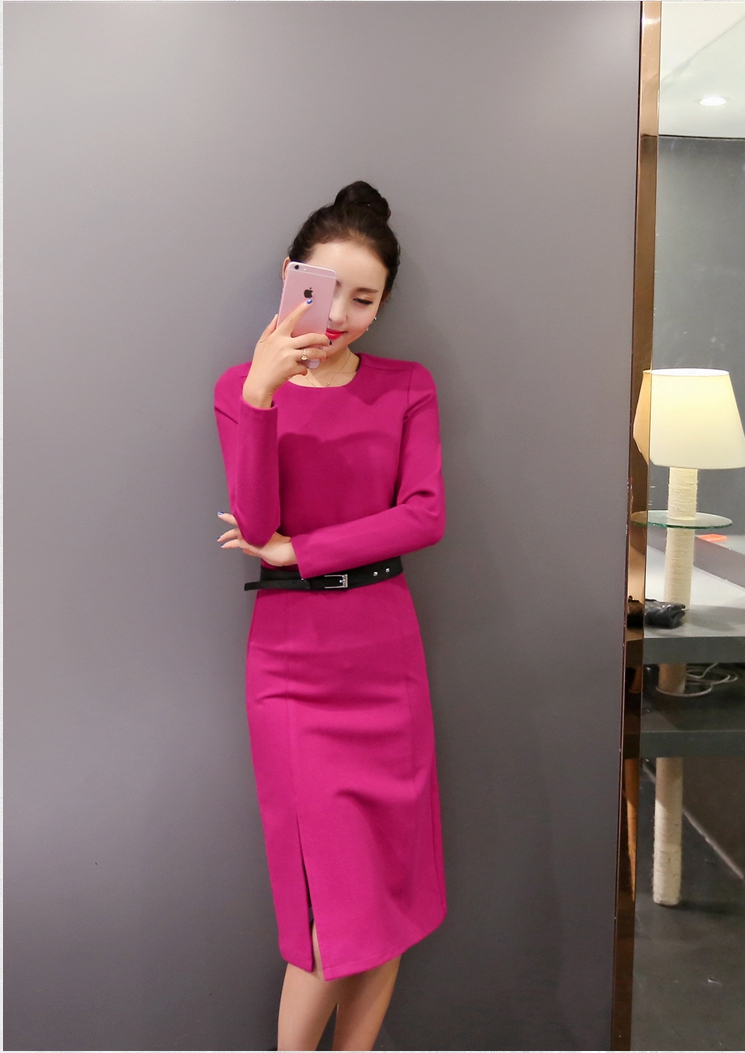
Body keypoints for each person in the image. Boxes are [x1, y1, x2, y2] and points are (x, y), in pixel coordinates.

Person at [213, 181, 446, 1052]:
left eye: (365, 298)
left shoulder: (407, 385)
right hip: (291, 667)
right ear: (290, 276)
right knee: (325, 911)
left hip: (386, 659)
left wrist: (302, 550)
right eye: (324, 290)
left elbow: (425, 515)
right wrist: (262, 395)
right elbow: (257, 520)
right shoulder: (241, 388)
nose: (341, 315)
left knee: (387, 900)